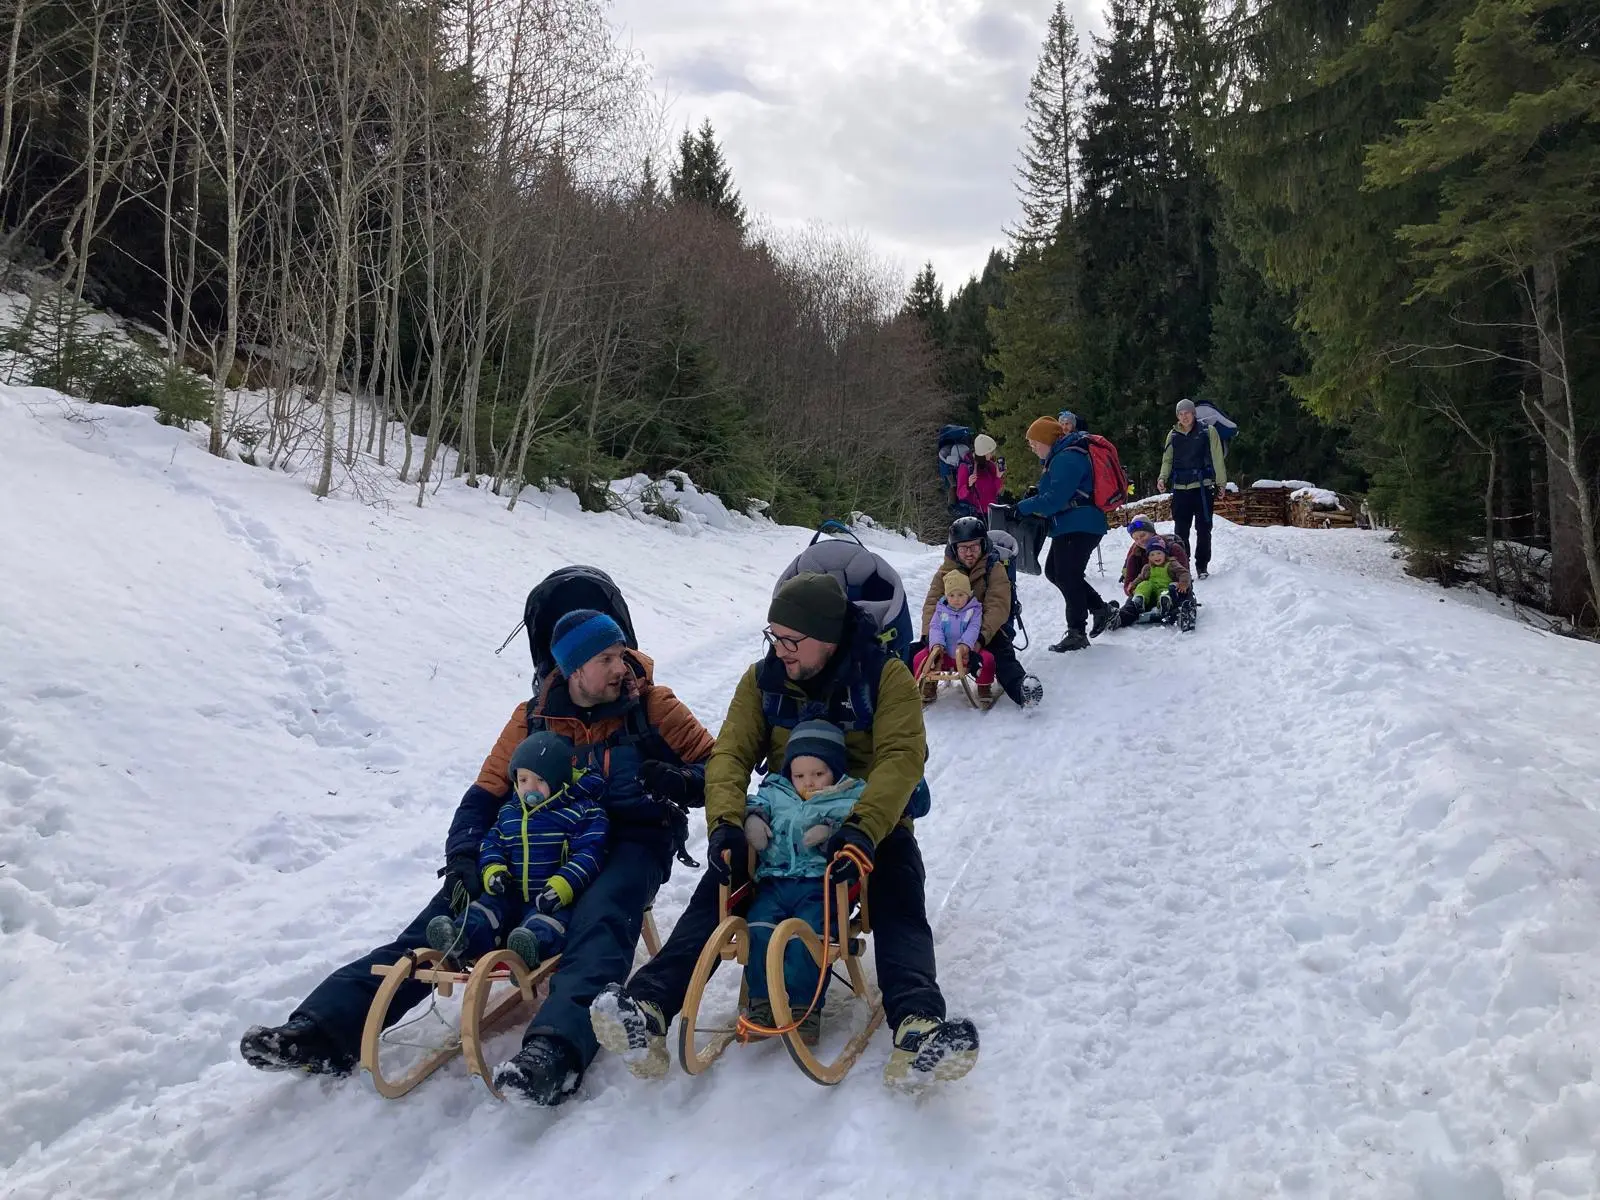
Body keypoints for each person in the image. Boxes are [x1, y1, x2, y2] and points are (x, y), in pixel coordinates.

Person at [238, 605, 716, 1107]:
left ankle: (554, 1052)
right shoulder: (532, 718)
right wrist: (464, 855)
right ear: (574, 669)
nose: (623, 667)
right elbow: (486, 793)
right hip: (537, 839)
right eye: (607, 659)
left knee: (600, 919)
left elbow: (719, 766)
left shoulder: (653, 706)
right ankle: (322, 1030)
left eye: (621, 654)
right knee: (444, 920)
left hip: (631, 839)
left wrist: (680, 781)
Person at [590, 573, 979, 1091]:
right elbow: (730, 755)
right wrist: (726, 825)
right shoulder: (763, 681)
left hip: (867, 821)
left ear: (828, 637)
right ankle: (649, 1008)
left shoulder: (885, 677)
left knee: (898, 890)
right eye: (775, 637)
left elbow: (901, 758)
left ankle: (918, 1026)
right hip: (783, 823)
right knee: (720, 889)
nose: (780, 650)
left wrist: (863, 830)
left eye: (792, 640)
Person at [424, 731, 608, 968]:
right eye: (523, 780)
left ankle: (530, 947)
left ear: (559, 779)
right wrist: (493, 871)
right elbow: (492, 844)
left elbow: (590, 853)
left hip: (552, 897)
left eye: (540, 780)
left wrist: (563, 886)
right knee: (484, 909)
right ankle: (460, 937)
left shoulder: (581, 812)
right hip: (509, 892)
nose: (530, 788)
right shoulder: (509, 813)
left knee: (548, 924)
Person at [739, 720, 866, 1046]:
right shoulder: (776, 791)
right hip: (774, 882)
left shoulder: (847, 796)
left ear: (834, 770)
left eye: (818, 774)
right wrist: (754, 818)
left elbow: (859, 823)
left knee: (806, 939)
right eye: (799, 775)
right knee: (759, 931)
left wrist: (831, 833)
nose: (808, 782)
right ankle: (762, 1003)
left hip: (820, 887)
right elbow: (757, 802)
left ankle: (804, 1009)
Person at [1015, 416, 1118, 651]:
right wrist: (1035, 496)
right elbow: (1057, 492)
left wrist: (1022, 507)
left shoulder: (1066, 458)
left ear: (1046, 440)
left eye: (1034, 442)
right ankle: (1100, 609)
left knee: (1068, 576)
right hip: (1071, 524)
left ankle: (1077, 632)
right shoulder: (1060, 456)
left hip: (1080, 524)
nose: (1032, 447)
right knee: (1055, 571)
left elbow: (1053, 500)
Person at [918, 515, 1040, 709]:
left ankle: (1022, 690)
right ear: (954, 549)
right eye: (963, 548)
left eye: (974, 547)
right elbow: (932, 603)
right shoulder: (945, 572)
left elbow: (997, 606)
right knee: (917, 652)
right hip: (948, 628)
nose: (969, 553)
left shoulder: (994, 569)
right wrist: (929, 637)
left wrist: (979, 638)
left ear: (983, 545)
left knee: (1002, 655)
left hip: (983, 630)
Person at [1158, 398, 1227, 578]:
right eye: (1180, 414)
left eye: (1187, 413)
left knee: (1204, 529)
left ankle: (1202, 565)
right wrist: (1162, 477)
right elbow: (1167, 460)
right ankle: (1183, 565)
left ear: (1193, 413)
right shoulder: (1173, 435)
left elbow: (1217, 458)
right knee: (1181, 531)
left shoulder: (1207, 431)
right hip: (1180, 488)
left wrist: (1221, 483)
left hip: (1202, 487)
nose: (1184, 417)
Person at [913, 570, 994, 701]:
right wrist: (937, 644)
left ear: (968, 594)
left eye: (960, 595)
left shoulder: (974, 610)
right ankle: (928, 684)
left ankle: (983, 686)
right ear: (946, 596)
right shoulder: (941, 610)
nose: (956, 599)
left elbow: (974, 628)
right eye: (951, 595)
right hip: (943, 654)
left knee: (987, 660)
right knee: (920, 658)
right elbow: (935, 627)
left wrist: (965, 644)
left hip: (966, 654)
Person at [1116, 536, 1193, 627]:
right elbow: (1140, 578)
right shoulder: (1147, 567)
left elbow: (1184, 573)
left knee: (1166, 591)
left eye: (1159, 553)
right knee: (1144, 584)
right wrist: (1133, 585)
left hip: (1164, 587)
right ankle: (1139, 600)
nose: (1156, 556)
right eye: (1152, 554)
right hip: (1151, 591)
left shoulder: (1172, 564)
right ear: (1148, 557)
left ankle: (1164, 604)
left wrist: (1183, 583)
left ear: (1165, 553)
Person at [1119, 515, 1191, 598]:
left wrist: (1182, 584)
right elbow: (1128, 583)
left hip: (1172, 591)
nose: (1140, 541)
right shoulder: (1135, 555)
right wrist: (1133, 590)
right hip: (1146, 593)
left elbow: (1184, 573)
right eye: (1136, 539)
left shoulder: (1173, 548)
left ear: (1152, 532)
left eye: (1143, 535)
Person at [955, 433, 1005, 517]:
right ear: (983, 453)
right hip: (976, 515)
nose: (992, 454)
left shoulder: (991, 465)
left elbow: (995, 491)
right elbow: (960, 494)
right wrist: (968, 485)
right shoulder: (966, 467)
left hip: (993, 511)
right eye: (990, 452)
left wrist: (998, 477)